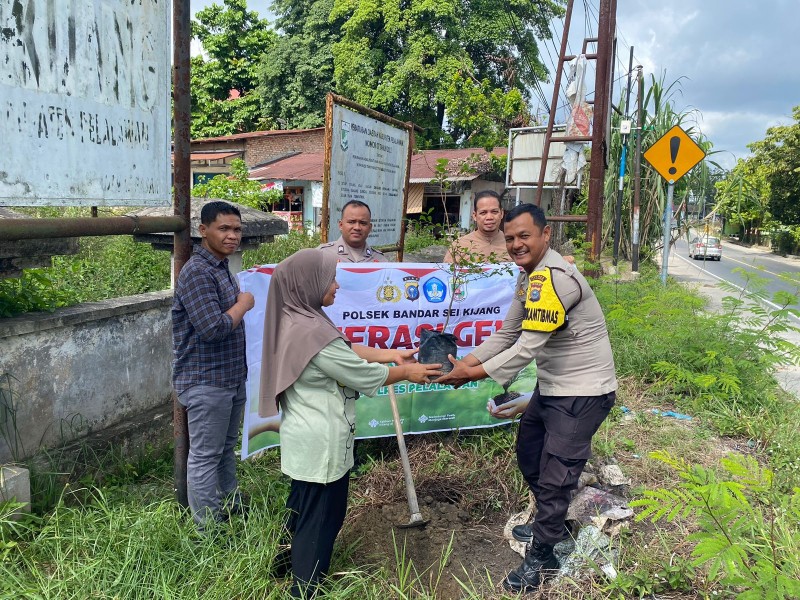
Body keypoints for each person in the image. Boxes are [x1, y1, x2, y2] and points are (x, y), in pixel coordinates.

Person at [437, 203, 617, 593]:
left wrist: (474, 374)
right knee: (530, 451)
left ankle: (542, 557)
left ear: (545, 235)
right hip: (553, 388)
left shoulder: (556, 280)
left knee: (556, 477)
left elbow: (528, 346)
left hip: (583, 392)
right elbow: (507, 333)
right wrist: (463, 361)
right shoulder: (530, 277)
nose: (516, 244)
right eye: (510, 238)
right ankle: (548, 525)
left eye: (524, 236)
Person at [259, 248, 442, 598]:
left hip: (305, 437)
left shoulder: (299, 318)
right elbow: (359, 373)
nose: (336, 285)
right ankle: (306, 589)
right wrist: (408, 371)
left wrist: (390, 354)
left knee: (301, 504)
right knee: (321, 518)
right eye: (330, 278)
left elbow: (347, 348)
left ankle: (283, 565)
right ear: (308, 283)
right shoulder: (311, 331)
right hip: (322, 441)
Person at [172, 200, 255, 530]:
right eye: (224, 228)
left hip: (231, 377)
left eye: (236, 229)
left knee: (225, 449)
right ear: (203, 231)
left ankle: (230, 507)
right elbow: (213, 328)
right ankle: (209, 529)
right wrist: (243, 305)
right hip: (206, 380)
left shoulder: (222, 268)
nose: (232, 235)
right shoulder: (196, 273)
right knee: (206, 455)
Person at [443, 190, 511, 264]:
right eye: (483, 213)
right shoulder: (459, 245)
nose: (489, 217)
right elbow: (447, 274)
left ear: (501, 214)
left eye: (494, 212)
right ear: (475, 216)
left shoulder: (512, 243)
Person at [318, 200, 388, 263]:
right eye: (351, 222)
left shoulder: (380, 260)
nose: (357, 227)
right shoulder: (323, 255)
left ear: (370, 228)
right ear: (341, 225)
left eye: (363, 223)